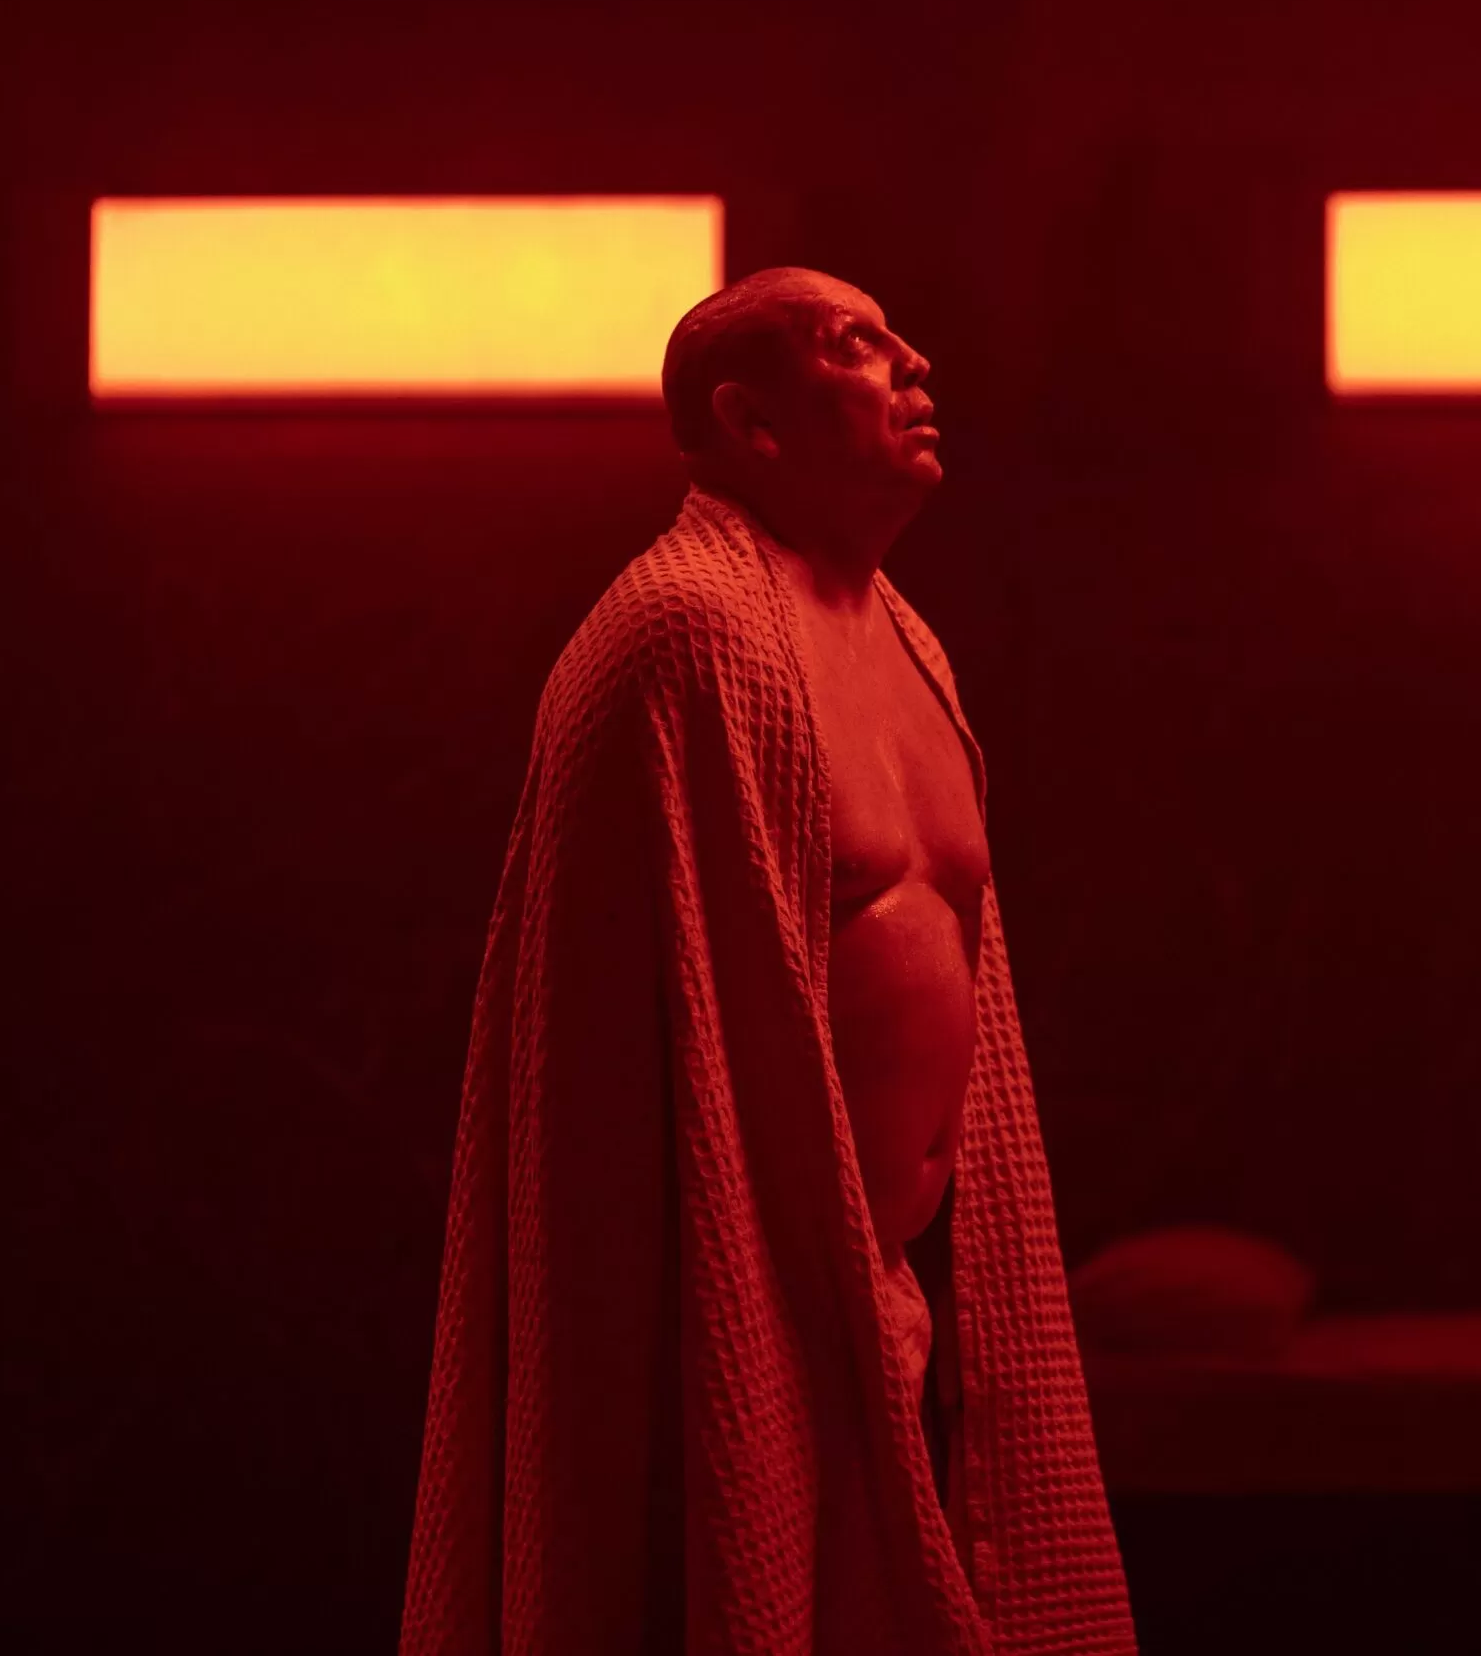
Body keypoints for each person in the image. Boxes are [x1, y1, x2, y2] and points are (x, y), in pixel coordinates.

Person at [399, 268, 1136, 1654]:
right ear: (752, 423)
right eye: (858, 345)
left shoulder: (910, 645)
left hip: (901, 1300)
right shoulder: (683, 634)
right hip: (728, 1315)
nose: (916, 362)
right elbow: (611, 1067)